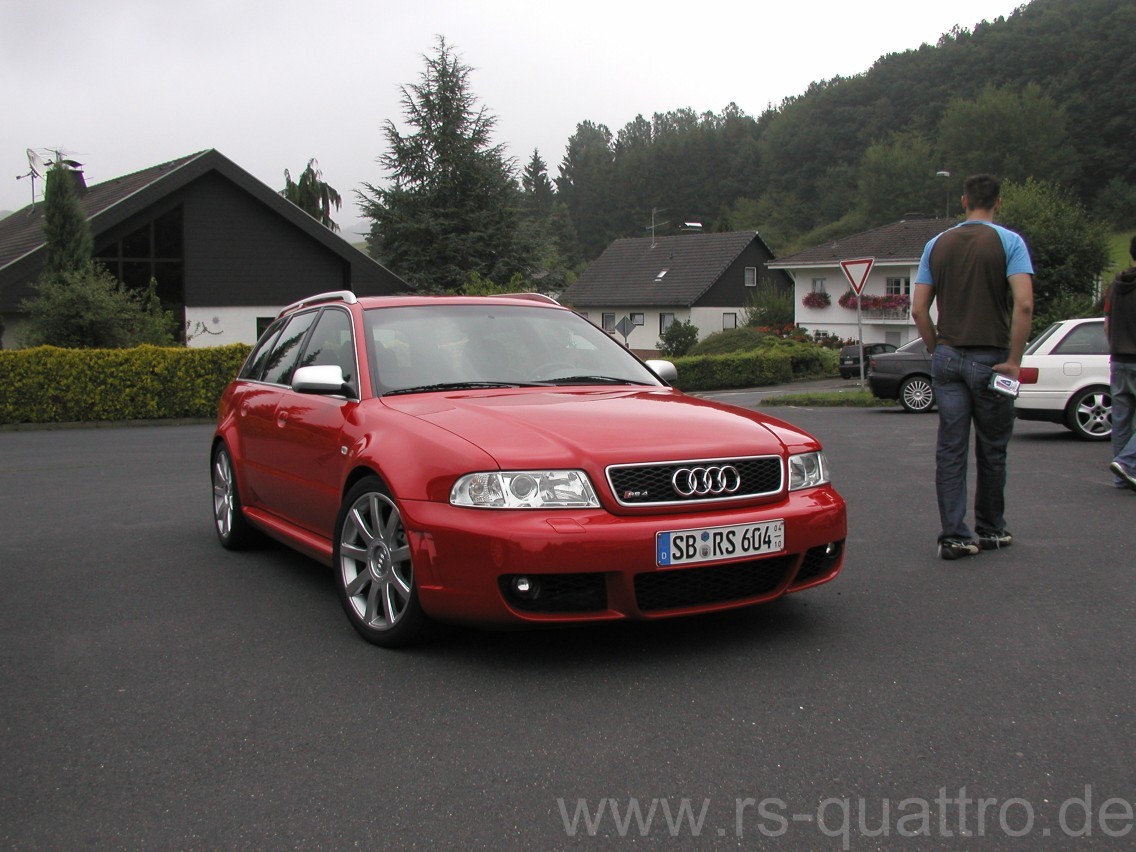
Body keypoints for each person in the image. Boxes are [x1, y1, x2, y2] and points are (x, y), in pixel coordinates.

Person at [911, 174, 1035, 560]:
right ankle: (991, 529)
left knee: (950, 448)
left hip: (948, 357)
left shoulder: (936, 244)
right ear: (998, 202)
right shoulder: (1010, 243)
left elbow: (917, 308)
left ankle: (955, 535)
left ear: (964, 201)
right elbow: (1025, 304)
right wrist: (1014, 360)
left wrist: (936, 349)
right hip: (992, 359)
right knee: (992, 447)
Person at [1105, 235, 1136, 491]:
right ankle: (1126, 462)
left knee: (1122, 418)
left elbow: (1107, 323)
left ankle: (1121, 477)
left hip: (1118, 358)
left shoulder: (1115, 285)